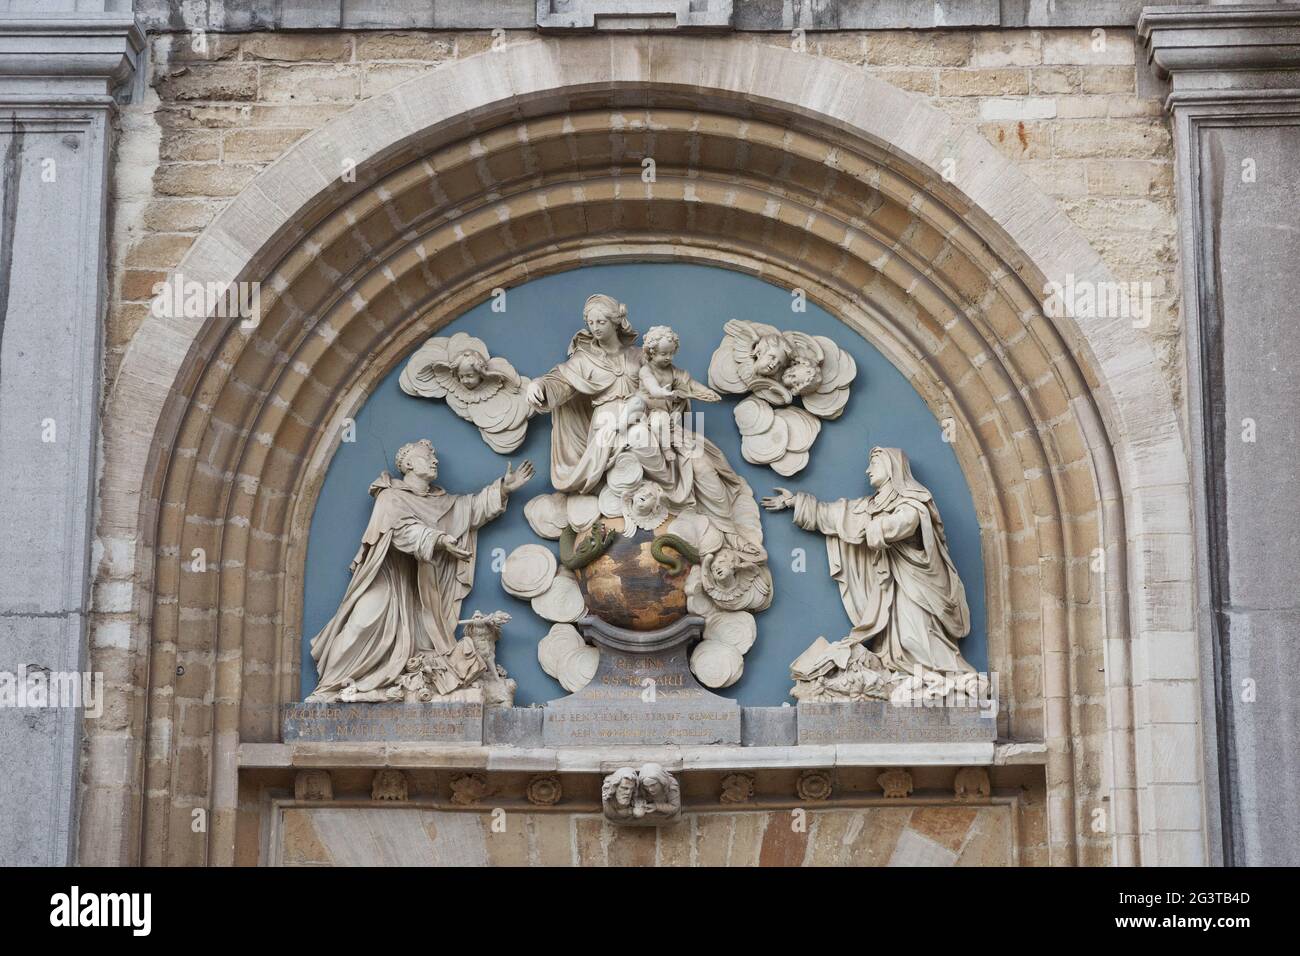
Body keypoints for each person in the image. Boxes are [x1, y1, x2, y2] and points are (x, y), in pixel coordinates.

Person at [306, 439, 533, 702]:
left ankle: (401, 686)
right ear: (409, 464)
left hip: (424, 585)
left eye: (434, 457)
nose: (435, 461)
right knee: (360, 625)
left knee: (426, 641)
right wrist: (438, 540)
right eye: (428, 457)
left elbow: (470, 508)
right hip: (389, 578)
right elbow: (402, 531)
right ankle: (328, 689)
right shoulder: (390, 496)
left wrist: (504, 489)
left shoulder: (441, 501)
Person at [762, 446, 973, 678]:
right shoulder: (871, 506)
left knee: (916, 639)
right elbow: (836, 514)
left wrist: (873, 528)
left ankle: (948, 678)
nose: (867, 470)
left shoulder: (913, 501)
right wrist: (796, 502)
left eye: (873, 464)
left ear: (890, 466)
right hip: (890, 588)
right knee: (897, 643)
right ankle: (910, 678)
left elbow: (906, 522)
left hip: (916, 589)